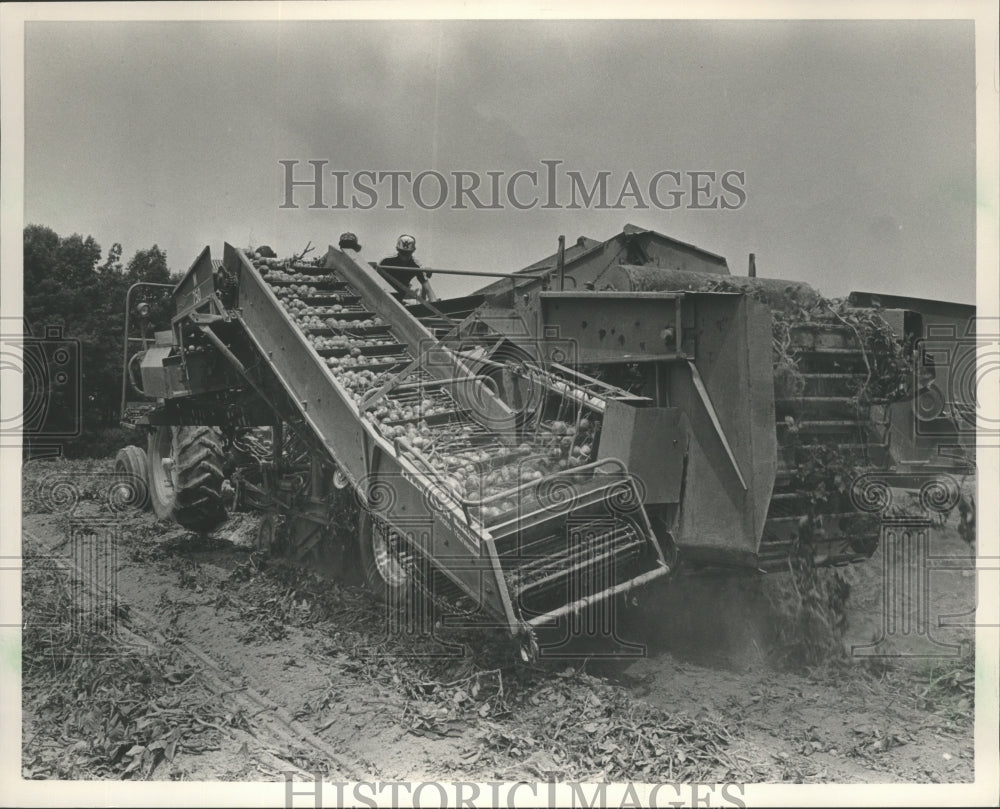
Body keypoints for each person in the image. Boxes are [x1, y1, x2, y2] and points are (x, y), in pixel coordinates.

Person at [378, 234, 437, 302]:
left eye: (407, 253)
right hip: (382, 297)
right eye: (402, 253)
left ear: (413, 250)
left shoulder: (416, 266)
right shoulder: (386, 261)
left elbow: (428, 290)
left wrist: (436, 306)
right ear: (397, 249)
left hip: (398, 300)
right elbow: (373, 280)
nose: (404, 257)